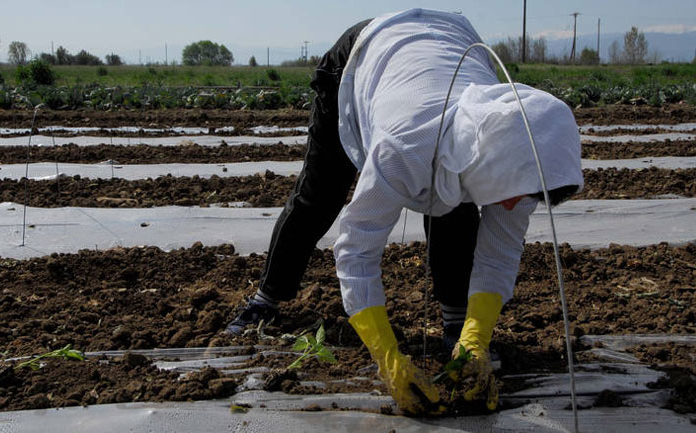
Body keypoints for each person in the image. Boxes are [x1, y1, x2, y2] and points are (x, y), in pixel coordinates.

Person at [227, 9, 583, 415]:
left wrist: (476, 336)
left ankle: (455, 324)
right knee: (320, 195)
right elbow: (356, 251)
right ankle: (265, 299)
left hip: (452, 43)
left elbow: (500, 250)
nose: (510, 206)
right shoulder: (403, 145)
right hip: (360, 58)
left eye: (523, 200)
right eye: (514, 197)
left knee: (456, 206)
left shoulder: (518, 151)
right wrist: (389, 360)